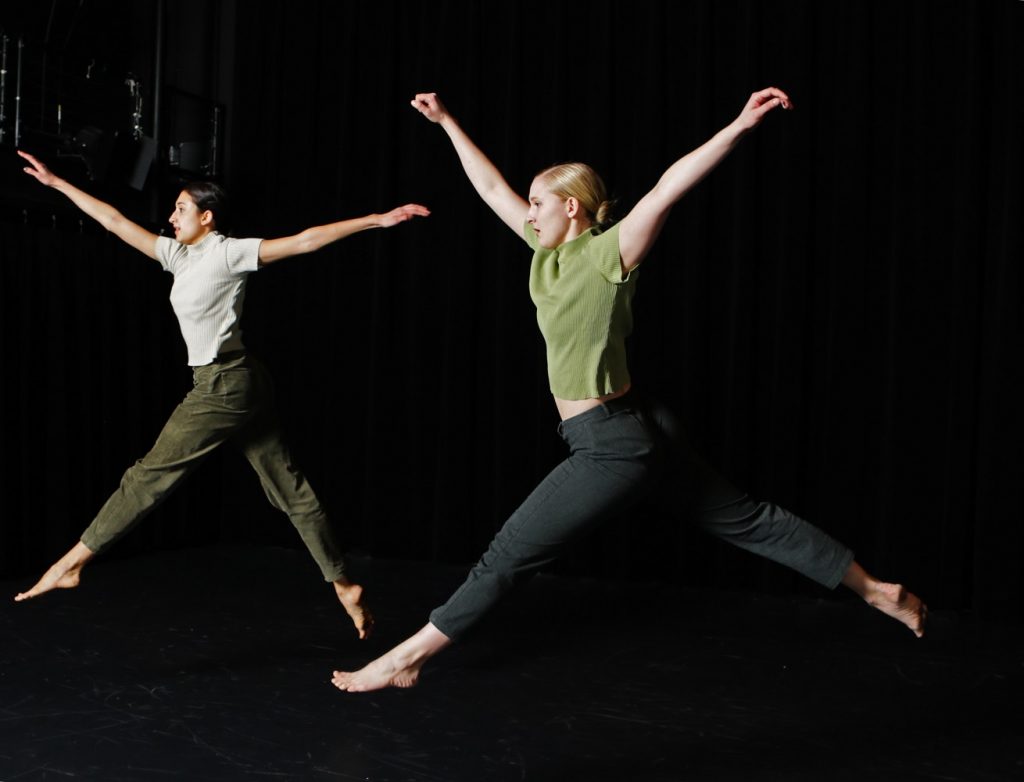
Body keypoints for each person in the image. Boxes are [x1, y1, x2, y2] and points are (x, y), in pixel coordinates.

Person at [330, 88, 926, 691]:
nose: (529, 212)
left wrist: (740, 125)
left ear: (570, 206)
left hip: (611, 441)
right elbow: (489, 190)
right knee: (746, 518)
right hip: (635, 421)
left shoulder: (612, 251)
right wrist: (448, 122)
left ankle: (408, 656)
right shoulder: (544, 254)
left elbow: (670, 185)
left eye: (538, 203)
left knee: (508, 554)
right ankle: (878, 589)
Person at [13, 149, 429, 640]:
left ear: (206, 217)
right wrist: (58, 183)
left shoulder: (228, 252)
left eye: (181, 209)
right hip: (241, 380)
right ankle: (343, 583)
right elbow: (111, 219)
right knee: (287, 488)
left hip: (225, 385)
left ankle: (73, 561)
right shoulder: (176, 255)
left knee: (149, 475)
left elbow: (304, 241)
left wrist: (377, 220)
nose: (171, 217)